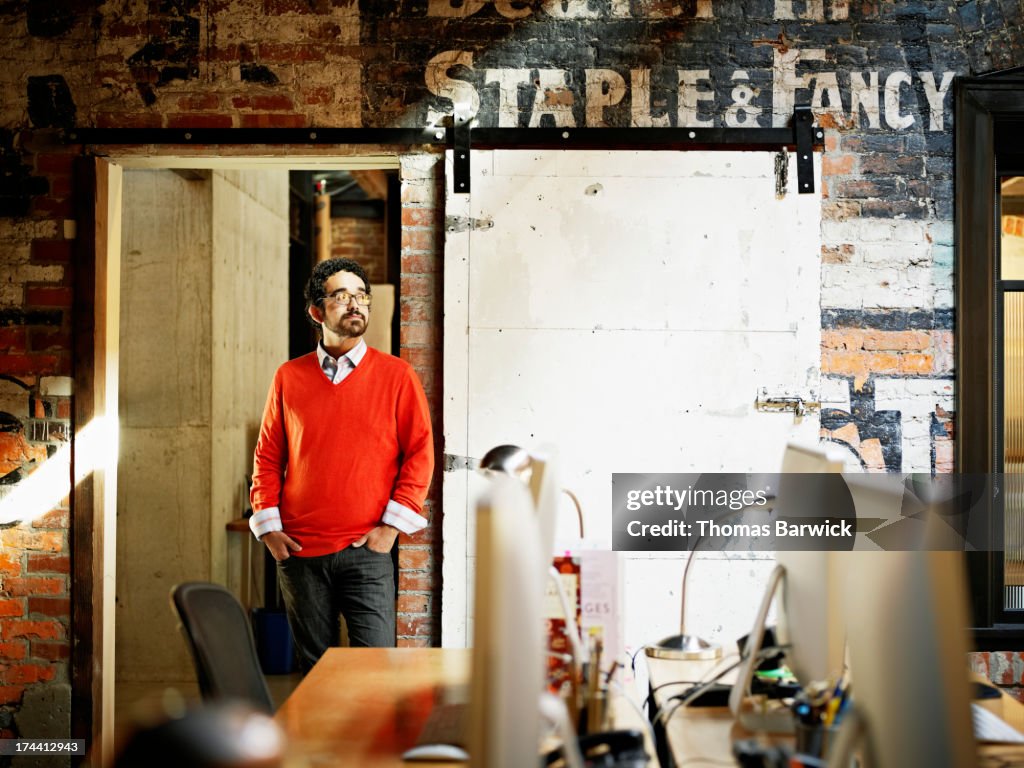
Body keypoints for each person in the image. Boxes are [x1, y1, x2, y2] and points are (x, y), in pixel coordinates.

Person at [249, 258, 433, 671]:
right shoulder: (289, 377)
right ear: (317, 311)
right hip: (299, 554)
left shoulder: (397, 376)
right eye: (342, 296)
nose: (356, 305)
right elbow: (267, 455)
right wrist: (269, 528)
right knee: (316, 674)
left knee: (374, 671)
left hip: (366, 550)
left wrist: (390, 529)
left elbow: (420, 453)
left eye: (361, 296)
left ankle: (372, 740)